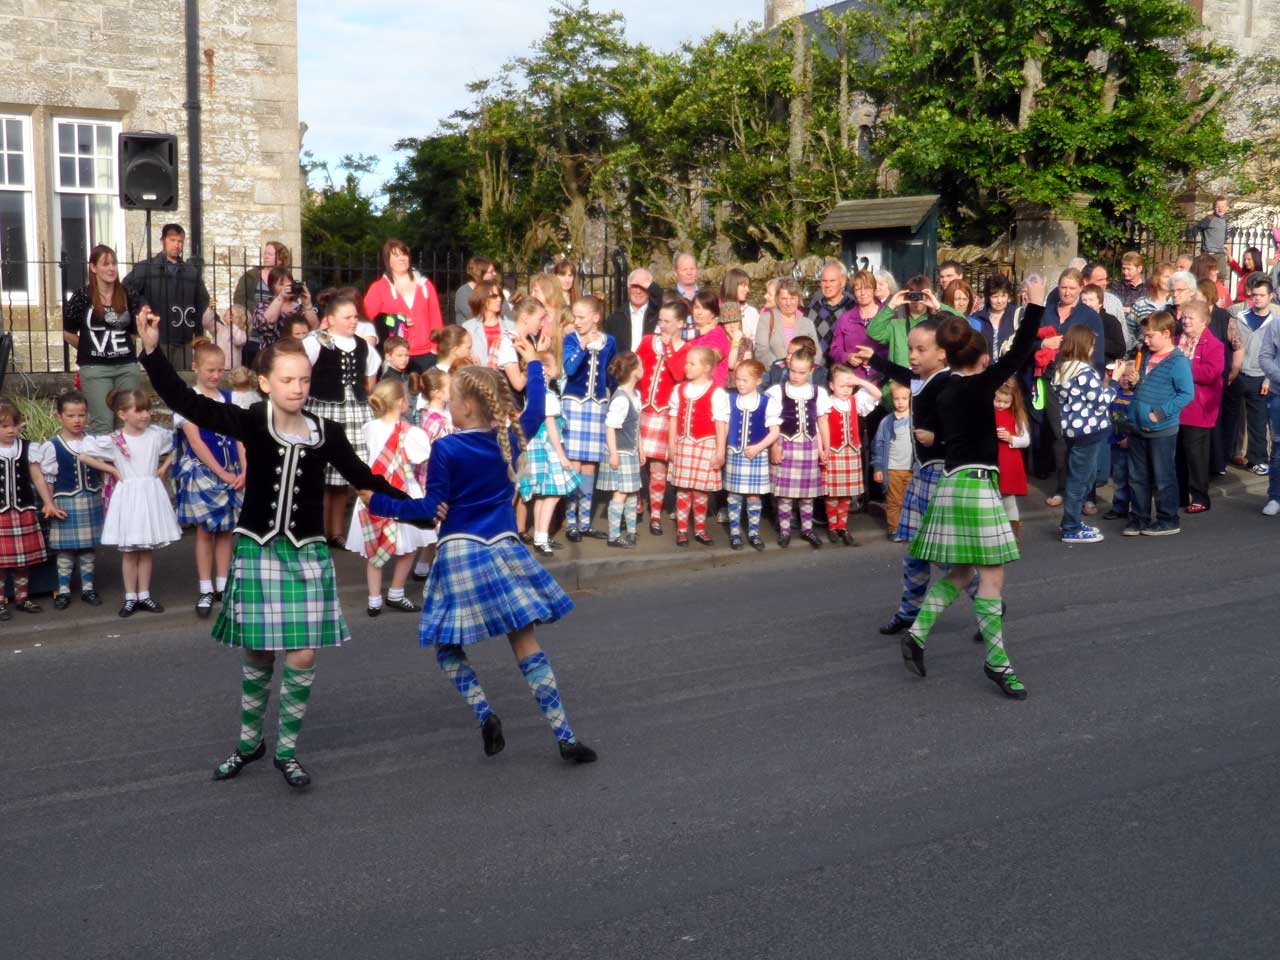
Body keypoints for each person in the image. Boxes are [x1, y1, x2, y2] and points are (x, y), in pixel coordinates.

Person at [137, 310, 410, 789]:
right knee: (259, 651)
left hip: (307, 555)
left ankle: (286, 750)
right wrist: (153, 351)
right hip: (259, 549)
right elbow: (185, 401)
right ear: (265, 382)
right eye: (287, 380)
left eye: (303, 380)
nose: (297, 388)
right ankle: (249, 742)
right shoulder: (251, 422)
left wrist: (425, 510)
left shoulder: (328, 434)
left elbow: (367, 482)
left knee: (302, 655)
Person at [364, 365, 597, 765]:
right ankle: (565, 735)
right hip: (504, 549)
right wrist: (535, 365)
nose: (450, 405)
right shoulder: (507, 440)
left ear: (468, 405)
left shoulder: (447, 449)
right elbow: (537, 410)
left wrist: (378, 501)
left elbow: (428, 509)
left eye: (453, 400)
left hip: (459, 552)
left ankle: (484, 712)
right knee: (524, 642)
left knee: (446, 644)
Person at [898, 295, 1043, 701]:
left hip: (951, 485)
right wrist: (1032, 307)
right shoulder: (981, 385)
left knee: (962, 573)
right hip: (977, 486)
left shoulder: (945, 391)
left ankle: (917, 633)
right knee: (992, 576)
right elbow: (1020, 350)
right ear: (980, 358)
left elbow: (947, 437)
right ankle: (997, 662)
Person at [346, 379, 434, 617]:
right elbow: (422, 457)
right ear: (400, 402)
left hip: (373, 491)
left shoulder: (369, 427)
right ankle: (396, 591)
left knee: (374, 544)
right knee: (410, 546)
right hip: (402, 490)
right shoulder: (412, 432)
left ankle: (374, 599)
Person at [92, 388, 182, 617]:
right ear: (123, 414)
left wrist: (164, 467)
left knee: (146, 548)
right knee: (131, 550)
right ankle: (130, 597)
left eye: (147, 410)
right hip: (129, 495)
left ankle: (144, 594)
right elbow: (83, 452)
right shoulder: (115, 440)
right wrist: (112, 468)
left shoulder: (155, 435)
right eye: (139, 411)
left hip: (150, 493)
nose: (145, 415)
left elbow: (181, 442)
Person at [173, 340, 246, 618]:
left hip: (232, 472)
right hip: (204, 473)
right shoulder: (186, 402)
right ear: (196, 368)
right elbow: (197, 443)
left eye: (220, 370)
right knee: (205, 531)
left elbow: (241, 436)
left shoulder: (231, 399)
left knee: (226, 531)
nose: (216, 375)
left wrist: (245, 470)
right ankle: (205, 588)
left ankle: (223, 585)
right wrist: (223, 472)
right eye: (210, 370)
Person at [301, 294, 382, 543]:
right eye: (348, 317)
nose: (354, 321)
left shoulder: (362, 345)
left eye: (356, 316)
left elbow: (370, 380)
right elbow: (302, 373)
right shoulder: (315, 342)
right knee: (322, 478)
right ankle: (318, 531)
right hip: (325, 410)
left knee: (342, 479)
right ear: (331, 319)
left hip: (355, 411)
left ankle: (336, 532)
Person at [1118, 311, 1194, 537]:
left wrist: (1160, 413)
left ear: (1166, 334)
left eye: (1150, 336)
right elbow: (1142, 386)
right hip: (1138, 426)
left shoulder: (1178, 362)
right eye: (1145, 336)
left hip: (1162, 429)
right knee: (1137, 477)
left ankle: (1168, 519)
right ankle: (1138, 518)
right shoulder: (1146, 355)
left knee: (1163, 476)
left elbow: (1186, 394)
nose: (1146, 340)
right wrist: (1134, 383)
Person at [39, 392, 117, 609]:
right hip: (65, 501)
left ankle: (88, 588)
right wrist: (50, 503)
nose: (77, 420)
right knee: (65, 549)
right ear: (60, 417)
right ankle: (63, 591)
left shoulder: (92, 442)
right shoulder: (52, 446)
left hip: (91, 497)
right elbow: (49, 478)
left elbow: (101, 472)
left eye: (81, 415)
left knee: (87, 548)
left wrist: (103, 496)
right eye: (71, 415)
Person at [62, 244, 144, 434]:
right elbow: (68, 332)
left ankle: (125, 464)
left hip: (126, 367)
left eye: (114, 264)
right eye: (105, 264)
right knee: (103, 425)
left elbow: (133, 332)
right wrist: (88, 348)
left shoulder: (127, 294)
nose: (111, 268)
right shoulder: (82, 296)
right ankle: (104, 464)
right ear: (93, 267)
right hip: (95, 369)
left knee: (128, 423)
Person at [1051, 325, 1116, 544]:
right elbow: (1100, 403)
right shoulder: (1085, 372)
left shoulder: (1061, 368)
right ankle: (1071, 526)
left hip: (1072, 430)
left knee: (1082, 477)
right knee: (1080, 480)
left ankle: (1073, 522)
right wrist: (1114, 382)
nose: (1093, 349)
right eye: (1091, 345)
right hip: (1088, 432)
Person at [0, 401, 64, 619]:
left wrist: (48, 502)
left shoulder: (28, 448)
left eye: (14, 424)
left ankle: (22, 598)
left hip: (23, 509)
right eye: (4, 425)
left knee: (22, 561)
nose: (11, 430)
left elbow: (37, 477)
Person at [767, 343, 829, 548]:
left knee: (807, 493)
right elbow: (772, 422)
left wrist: (824, 448)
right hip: (786, 444)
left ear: (811, 370)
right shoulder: (778, 390)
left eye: (802, 372)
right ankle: (785, 530)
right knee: (784, 493)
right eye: (793, 371)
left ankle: (807, 529)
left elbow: (821, 423)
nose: (796, 376)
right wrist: (774, 447)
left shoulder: (818, 392)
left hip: (809, 446)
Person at [121, 223, 213, 359]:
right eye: (172, 240)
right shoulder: (145, 268)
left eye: (180, 241)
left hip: (184, 339)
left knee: (183, 378)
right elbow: (125, 289)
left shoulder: (191, 272)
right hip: (158, 336)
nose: (177, 245)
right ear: (163, 240)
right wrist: (142, 306)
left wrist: (199, 335)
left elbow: (202, 303)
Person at [518, 350, 578, 556]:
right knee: (552, 494)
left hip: (537, 447)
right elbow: (551, 427)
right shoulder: (548, 396)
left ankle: (540, 537)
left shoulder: (535, 393)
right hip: (547, 448)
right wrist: (562, 456)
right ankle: (541, 537)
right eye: (552, 366)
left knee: (544, 495)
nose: (556, 370)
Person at [667, 346, 729, 546]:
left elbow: (721, 424)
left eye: (692, 363)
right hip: (684, 444)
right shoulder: (680, 389)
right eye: (687, 362)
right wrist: (671, 444)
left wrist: (720, 451)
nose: (687, 366)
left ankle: (700, 529)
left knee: (701, 491)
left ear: (706, 368)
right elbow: (674, 419)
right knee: (683, 489)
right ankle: (682, 529)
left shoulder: (717, 393)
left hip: (706, 444)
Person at [636, 301, 688, 535]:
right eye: (661, 321)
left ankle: (655, 514)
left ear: (680, 323)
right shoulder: (648, 341)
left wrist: (668, 348)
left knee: (658, 465)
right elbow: (636, 368)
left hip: (664, 411)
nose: (663, 326)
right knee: (636, 461)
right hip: (643, 407)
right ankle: (635, 502)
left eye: (668, 322)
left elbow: (678, 373)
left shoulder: (685, 348)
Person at [821, 363, 881, 544]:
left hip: (851, 451)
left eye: (849, 386)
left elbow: (877, 394)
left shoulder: (856, 400)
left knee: (846, 493)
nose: (847, 390)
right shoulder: (826, 402)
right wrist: (823, 449)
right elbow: (820, 427)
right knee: (832, 493)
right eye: (842, 386)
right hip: (833, 450)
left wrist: (859, 381)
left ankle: (842, 526)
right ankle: (832, 526)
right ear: (832, 386)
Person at [363, 239, 444, 371]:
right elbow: (364, 319)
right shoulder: (378, 288)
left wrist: (435, 348)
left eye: (404, 254)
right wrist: (393, 320)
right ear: (387, 260)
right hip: (396, 356)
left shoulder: (425, 285)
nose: (401, 258)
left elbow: (436, 318)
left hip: (426, 354)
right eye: (396, 255)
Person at [1175, 300, 1225, 513]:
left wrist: (1184, 368)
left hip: (1199, 407)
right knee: (1177, 456)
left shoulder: (1214, 345)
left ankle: (1200, 497)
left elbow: (1211, 373)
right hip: (1175, 407)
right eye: (1184, 317)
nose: (1185, 321)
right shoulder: (1176, 340)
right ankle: (1179, 496)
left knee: (1196, 457)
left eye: (1190, 317)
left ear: (1203, 321)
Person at [723, 359, 778, 551]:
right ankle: (735, 533)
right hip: (735, 453)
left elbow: (774, 432)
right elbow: (725, 426)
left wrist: (758, 447)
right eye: (738, 379)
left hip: (757, 454)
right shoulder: (729, 399)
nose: (740, 383)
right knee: (734, 495)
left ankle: (754, 532)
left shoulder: (766, 402)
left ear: (757, 381)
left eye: (745, 380)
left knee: (754, 496)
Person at [1224, 277, 1274, 476]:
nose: (1258, 299)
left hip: (1260, 378)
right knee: (1229, 419)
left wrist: (1269, 378)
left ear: (1271, 296)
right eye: (1254, 295)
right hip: (1237, 375)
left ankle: (1257, 460)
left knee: (1258, 422)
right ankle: (1222, 459)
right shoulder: (1240, 318)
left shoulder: (1275, 323)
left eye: (1262, 295)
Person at [598, 352, 644, 547]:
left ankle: (632, 531)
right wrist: (614, 454)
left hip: (631, 451)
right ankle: (613, 535)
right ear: (634, 371)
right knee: (621, 493)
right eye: (640, 365)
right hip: (621, 452)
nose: (643, 368)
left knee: (632, 492)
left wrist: (641, 448)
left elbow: (636, 426)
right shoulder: (621, 399)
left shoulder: (636, 395)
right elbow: (610, 428)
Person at [247, 265, 313, 370]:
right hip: (272, 359)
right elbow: (265, 324)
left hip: (298, 358)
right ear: (272, 286)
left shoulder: (300, 308)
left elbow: (314, 328)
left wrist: (308, 305)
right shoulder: (262, 307)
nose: (286, 287)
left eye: (289, 284)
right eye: (281, 284)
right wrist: (281, 297)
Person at [872, 382, 913, 540]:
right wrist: (878, 467)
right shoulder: (887, 421)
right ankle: (894, 529)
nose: (900, 402)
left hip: (912, 468)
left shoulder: (916, 419)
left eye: (904, 398)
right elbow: (878, 444)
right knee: (894, 501)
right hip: (893, 468)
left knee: (910, 501)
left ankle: (909, 528)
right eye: (897, 399)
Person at [754, 277, 821, 369]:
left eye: (792, 298)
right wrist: (780, 368)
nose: (788, 303)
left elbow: (817, 353)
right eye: (784, 298)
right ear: (777, 299)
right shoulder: (766, 319)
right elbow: (761, 351)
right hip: (775, 374)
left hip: (803, 376)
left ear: (799, 299)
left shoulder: (807, 324)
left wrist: (805, 370)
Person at [993, 378, 1030, 543]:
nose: (1000, 405)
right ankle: (994, 536)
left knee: (1008, 499)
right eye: (998, 400)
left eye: (1005, 402)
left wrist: (1010, 438)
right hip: (990, 461)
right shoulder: (986, 412)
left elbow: (1025, 440)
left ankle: (1013, 536)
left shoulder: (1016, 415)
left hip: (1008, 461)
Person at [828, 270, 883, 372]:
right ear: (853, 292)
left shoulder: (887, 315)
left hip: (882, 376)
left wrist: (876, 359)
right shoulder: (845, 318)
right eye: (857, 289)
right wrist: (847, 357)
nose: (862, 293)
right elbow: (834, 349)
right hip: (854, 377)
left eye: (867, 288)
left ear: (874, 289)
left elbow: (896, 347)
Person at [1257, 306, 1280, 515]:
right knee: (1279, 448)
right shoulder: (1275, 324)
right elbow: (1264, 357)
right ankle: (1275, 497)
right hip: (1279, 394)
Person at [605, 268, 663, 352]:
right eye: (635, 286)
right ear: (628, 289)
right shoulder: (615, 318)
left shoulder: (658, 314)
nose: (638, 291)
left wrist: (651, 286)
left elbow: (672, 303)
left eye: (643, 287)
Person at [806, 261, 855, 357]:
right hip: (818, 366)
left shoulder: (852, 307)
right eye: (824, 281)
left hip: (844, 368)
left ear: (843, 282)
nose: (827, 285)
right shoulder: (814, 308)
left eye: (832, 281)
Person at [462, 280, 514, 369]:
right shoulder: (468, 327)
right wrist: (470, 357)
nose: (499, 299)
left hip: (504, 378)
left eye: (500, 296)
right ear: (482, 298)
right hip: (479, 377)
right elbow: (461, 354)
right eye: (494, 296)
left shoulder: (511, 326)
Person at [1189, 196, 1230, 280]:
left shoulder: (1225, 220)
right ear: (1214, 207)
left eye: (1222, 207)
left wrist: (1225, 242)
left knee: (1221, 275)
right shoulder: (1209, 219)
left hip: (1220, 253)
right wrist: (1191, 236)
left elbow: (1224, 233)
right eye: (1218, 206)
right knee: (1207, 276)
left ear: (1227, 208)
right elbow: (1197, 227)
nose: (1220, 209)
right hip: (1209, 253)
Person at [720, 267, 760, 344]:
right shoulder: (717, 309)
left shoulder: (751, 312)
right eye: (744, 285)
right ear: (732, 286)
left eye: (748, 286)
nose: (748, 290)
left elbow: (757, 340)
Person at [454, 256, 494, 327]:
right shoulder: (463, 293)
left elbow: (507, 314)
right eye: (491, 272)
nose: (494, 274)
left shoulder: (494, 290)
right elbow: (476, 317)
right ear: (479, 274)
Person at [204, 304, 248, 369]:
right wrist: (210, 310)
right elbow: (206, 323)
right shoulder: (219, 327)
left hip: (232, 369)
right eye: (227, 311)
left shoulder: (240, 331)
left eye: (232, 315)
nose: (227, 314)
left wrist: (232, 325)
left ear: (240, 320)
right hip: (216, 366)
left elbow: (239, 341)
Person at [1111, 251, 1147, 317]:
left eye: (1128, 269)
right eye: (1123, 268)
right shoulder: (1118, 285)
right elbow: (1114, 307)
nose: (1125, 272)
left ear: (1139, 269)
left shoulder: (1148, 286)